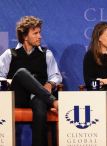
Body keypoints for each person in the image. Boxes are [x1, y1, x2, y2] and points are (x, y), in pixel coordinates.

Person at [0, 16, 62, 146]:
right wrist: (8, 82)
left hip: (38, 96)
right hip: (18, 96)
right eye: (35, 33)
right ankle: (53, 101)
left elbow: (56, 76)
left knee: (40, 104)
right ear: (25, 36)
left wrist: (50, 83)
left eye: (39, 33)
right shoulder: (10, 54)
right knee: (22, 72)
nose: (39, 36)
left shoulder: (46, 54)